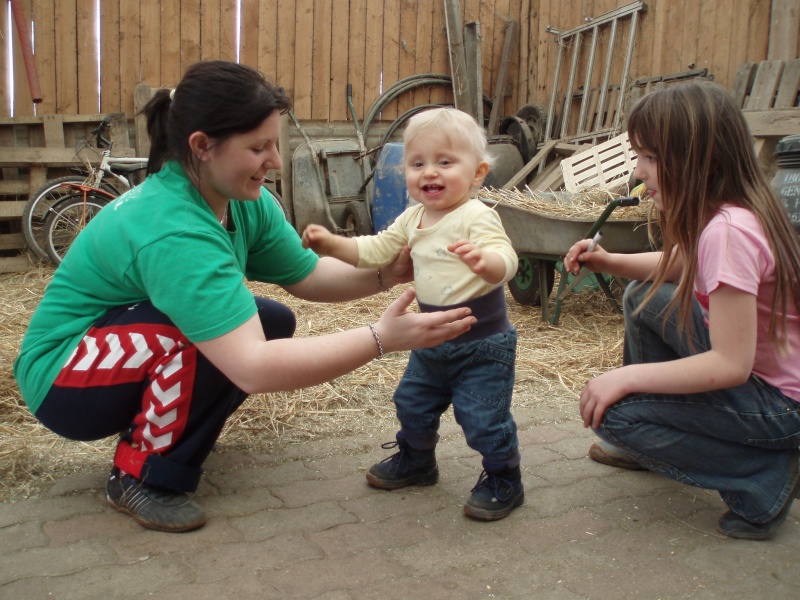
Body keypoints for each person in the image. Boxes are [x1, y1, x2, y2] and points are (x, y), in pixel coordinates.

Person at [12, 61, 476, 534]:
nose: (274, 160)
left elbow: (310, 274)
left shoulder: (238, 200)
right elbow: (252, 366)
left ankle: (173, 440)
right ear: (202, 147)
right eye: (258, 148)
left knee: (270, 320)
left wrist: (389, 273)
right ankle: (139, 474)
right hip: (64, 380)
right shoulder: (173, 229)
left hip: (115, 351)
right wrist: (382, 338)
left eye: (274, 144)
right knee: (206, 339)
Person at [563, 81, 800, 541]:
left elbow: (731, 365)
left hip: (780, 406)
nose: (638, 171)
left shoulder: (728, 232)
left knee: (617, 416)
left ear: (698, 161)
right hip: (772, 385)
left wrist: (625, 378)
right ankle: (661, 432)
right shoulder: (736, 212)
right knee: (642, 295)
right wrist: (608, 261)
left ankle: (762, 477)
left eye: (649, 157)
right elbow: (681, 265)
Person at [302, 107, 523, 521]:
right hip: (429, 339)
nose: (429, 173)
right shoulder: (412, 218)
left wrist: (485, 263)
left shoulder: (476, 216)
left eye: (444, 162)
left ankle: (503, 476)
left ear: (476, 174)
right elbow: (374, 251)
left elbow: (506, 259)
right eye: (417, 163)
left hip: (482, 343)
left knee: (482, 417)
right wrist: (333, 245)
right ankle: (418, 460)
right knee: (412, 402)